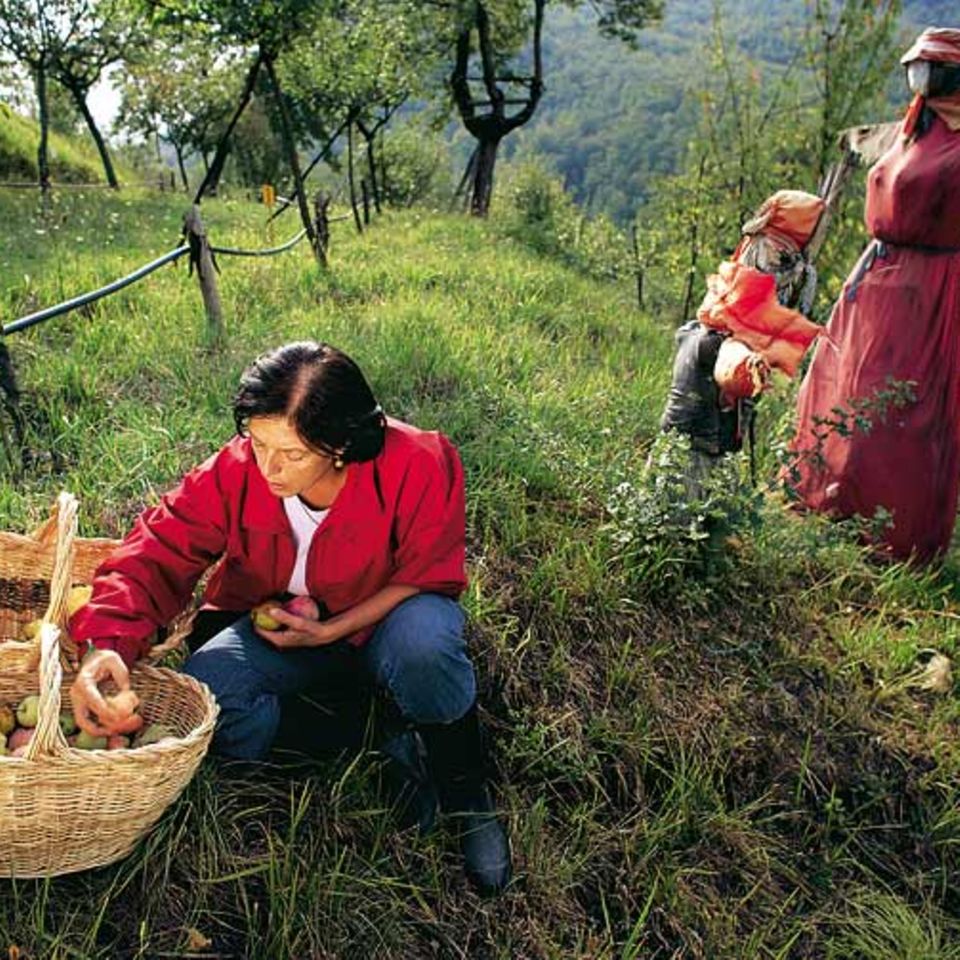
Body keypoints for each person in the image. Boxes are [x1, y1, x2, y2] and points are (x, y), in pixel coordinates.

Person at [66, 341, 512, 895]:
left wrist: (331, 630)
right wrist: (106, 643)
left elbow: (425, 573)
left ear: (340, 444)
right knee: (211, 697)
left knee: (426, 645)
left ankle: (465, 791)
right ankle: (370, 739)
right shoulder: (235, 471)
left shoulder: (418, 462)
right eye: (258, 443)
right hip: (281, 631)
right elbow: (158, 549)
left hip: (384, 622)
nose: (269, 468)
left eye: (293, 454)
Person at [789, 28, 960, 562]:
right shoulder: (916, 127)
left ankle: (893, 536)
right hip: (878, 276)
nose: (921, 79)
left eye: (932, 69)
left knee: (905, 410)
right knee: (846, 386)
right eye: (917, 68)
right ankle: (828, 502)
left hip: (929, 289)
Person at [659, 190, 823, 491]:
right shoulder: (797, 266)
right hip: (736, 356)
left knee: (694, 434)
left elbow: (741, 306)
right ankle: (702, 508)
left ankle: (672, 506)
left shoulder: (766, 247)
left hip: (723, 350)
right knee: (712, 438)